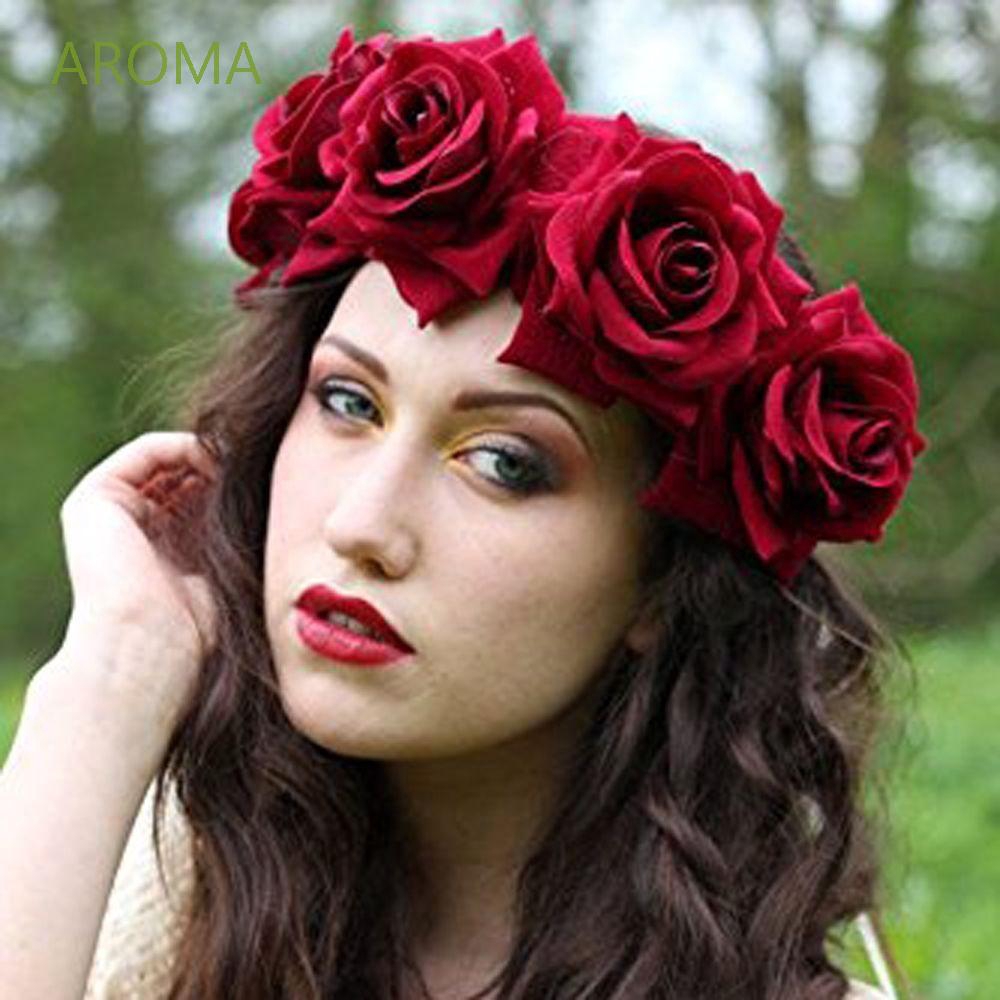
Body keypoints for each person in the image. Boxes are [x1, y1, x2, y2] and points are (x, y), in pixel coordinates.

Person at [0, 24, 925, 1000]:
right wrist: (110, 674)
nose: (362, 523)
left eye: (501, 462)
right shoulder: (129, 909)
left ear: (662, 580)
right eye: (349, 403)